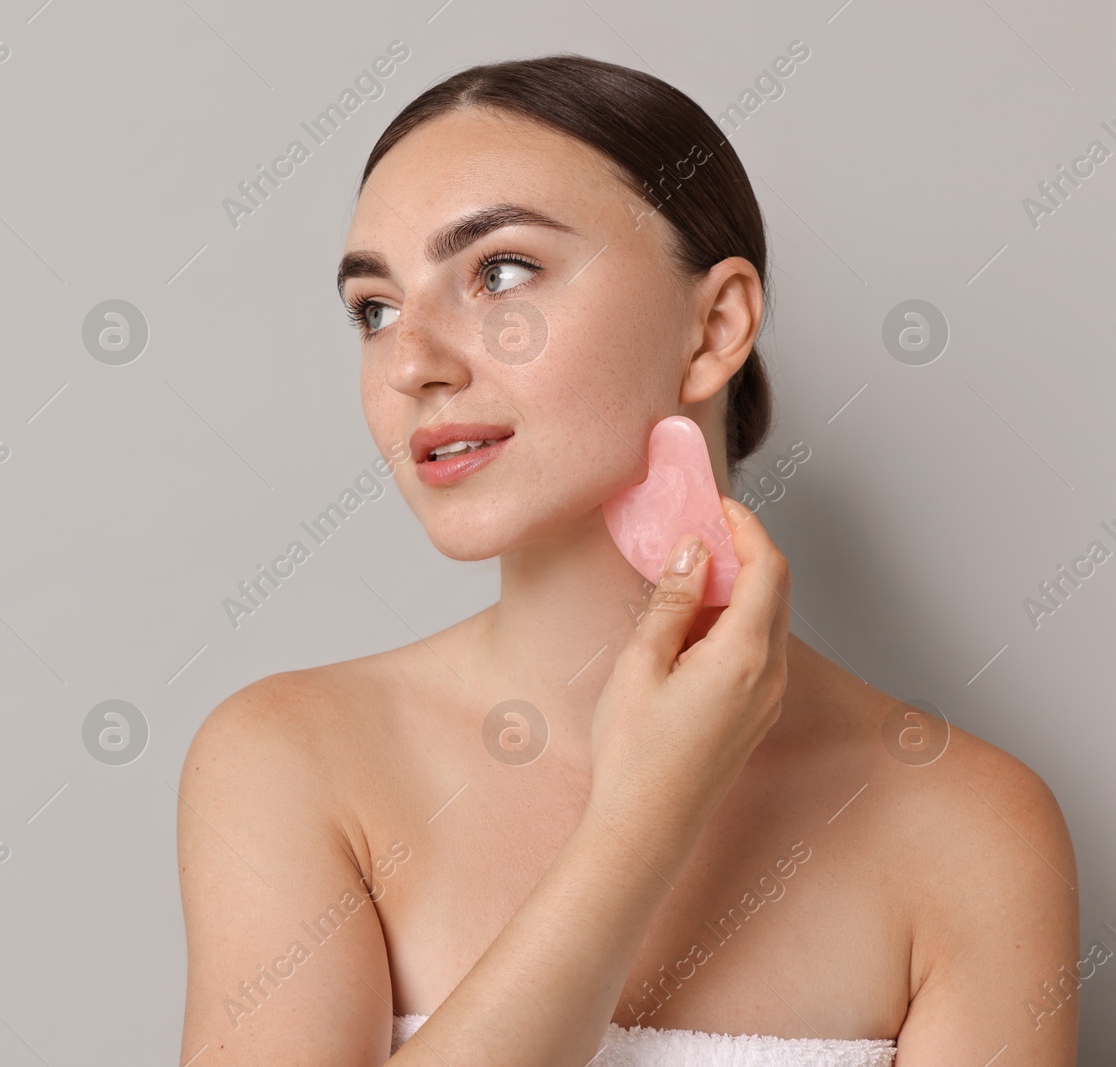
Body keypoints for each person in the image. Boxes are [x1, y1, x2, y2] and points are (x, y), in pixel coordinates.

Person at [177, 54, 1079, 1065]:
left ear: (715, 325)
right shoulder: (293, 759)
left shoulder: (967, 826)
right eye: (373, 309)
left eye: (499, 272)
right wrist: (640, 818)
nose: (411, 362)